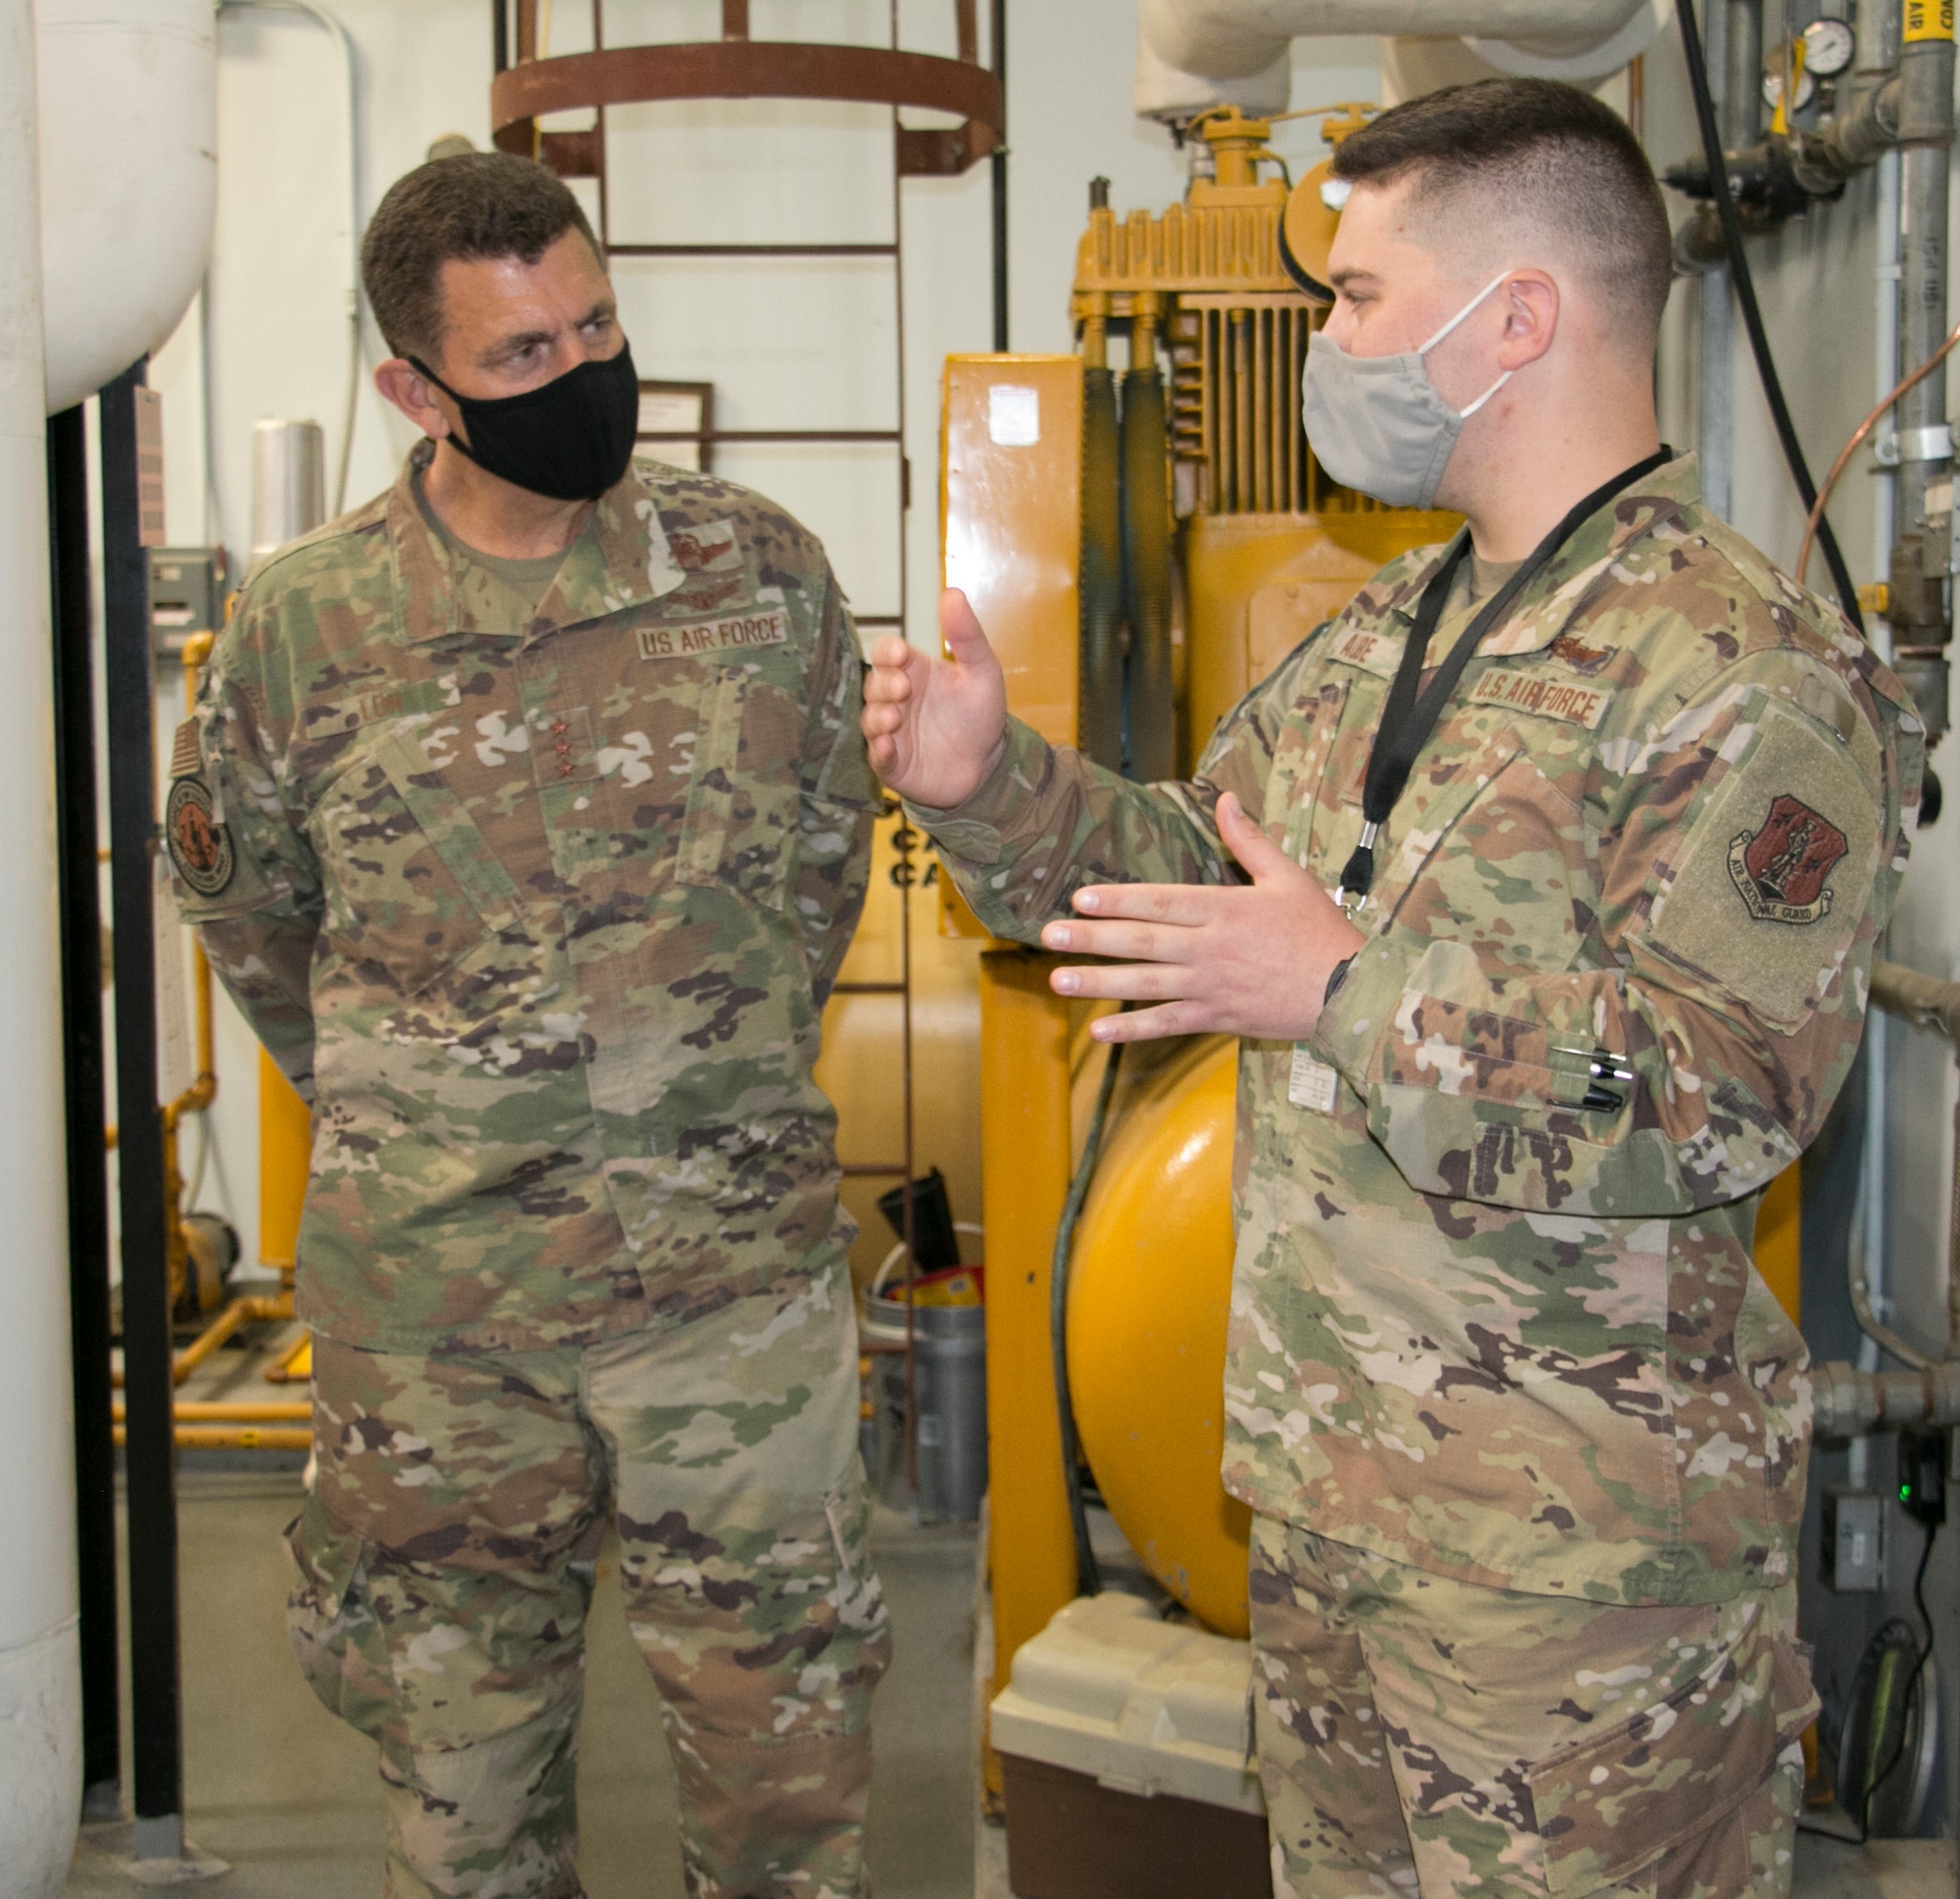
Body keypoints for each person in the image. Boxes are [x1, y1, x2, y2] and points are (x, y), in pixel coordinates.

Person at [865, 80, 1921, 1899]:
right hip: (1339, 1512)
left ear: (1516, 318)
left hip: (1580, 1589)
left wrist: (1351, 991)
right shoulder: (1395, 631)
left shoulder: (1740, 672)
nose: (1327, 345)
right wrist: (992, 785)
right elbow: (1199, 881)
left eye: (1355, 300)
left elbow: (1721, 1093)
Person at [169, 151, 888, 1899]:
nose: (583, 373)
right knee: (464, 1802)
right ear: (411, 389)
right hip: (441, 1329)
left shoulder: (760, 574)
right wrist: (427, 1116)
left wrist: (688, 1087)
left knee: (787, 1786)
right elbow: (258, 921)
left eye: (600, 322)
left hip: (729, 1298)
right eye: (521, 355)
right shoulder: (301, 629)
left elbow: (818, 878)